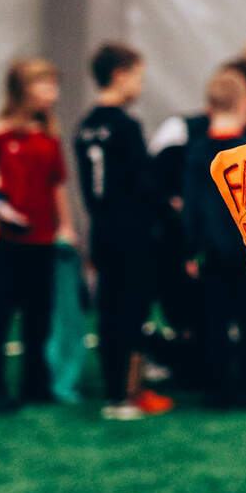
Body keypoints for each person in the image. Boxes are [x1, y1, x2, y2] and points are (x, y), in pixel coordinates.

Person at [0, 58, 75, 412]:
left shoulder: (48, 134)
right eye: (45, 85)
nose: (52, 93)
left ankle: (35, 383)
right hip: (5, 242)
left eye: (54, 85)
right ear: (23, 90)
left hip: (42, 240)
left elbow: (57, 183)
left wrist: (66, 226)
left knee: (38, 316)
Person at [74, 42, 175, 420]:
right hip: (132, 236)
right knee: (132, 312)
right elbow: (144, 185)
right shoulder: (126, 126)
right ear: (119, 75)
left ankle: (115, 391)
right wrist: (169, 213)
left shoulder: (86, 127)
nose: (141, 85)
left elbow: (90, 189)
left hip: (102, 232)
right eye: (138, 77)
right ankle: (128, 395)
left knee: (109, 312)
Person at [183, 68, 246, 408]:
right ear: (244, 102)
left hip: (213, 250)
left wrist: (190, 250)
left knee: (215, 320)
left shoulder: (198, 150)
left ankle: (218, 388)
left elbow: (191, 206)